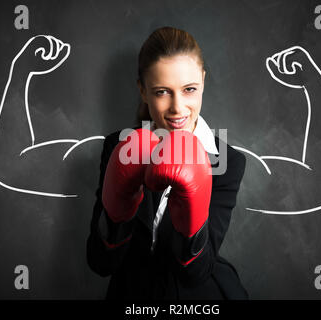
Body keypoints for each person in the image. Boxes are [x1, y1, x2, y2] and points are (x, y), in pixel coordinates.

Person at [86, 26, 249, 300]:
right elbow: (100, 263)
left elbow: (196, 273)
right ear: (143, 90)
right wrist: (117, 214)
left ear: (203, 83)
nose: (177, 107)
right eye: (162, 91)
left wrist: (191, 221)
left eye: (189, 89)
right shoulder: (120, 147)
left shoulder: (226, 161)